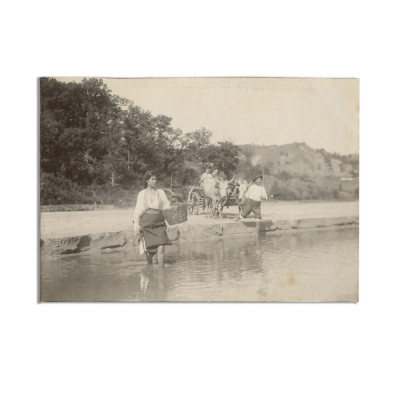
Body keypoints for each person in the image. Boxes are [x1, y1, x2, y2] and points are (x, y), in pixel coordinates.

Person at [133, 171, 172, 268]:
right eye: (152, 179)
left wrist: (172, 208)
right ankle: (149, 269)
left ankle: (161, 272)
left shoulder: (161, 192)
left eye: (156, 179)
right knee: (150, 252)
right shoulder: (142, 194)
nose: (155, 181)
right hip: (147, 225)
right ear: (147, 181)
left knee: (161, 247)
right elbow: (138, 210)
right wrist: (136, 225)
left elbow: (166, 206)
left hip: (159, 224)